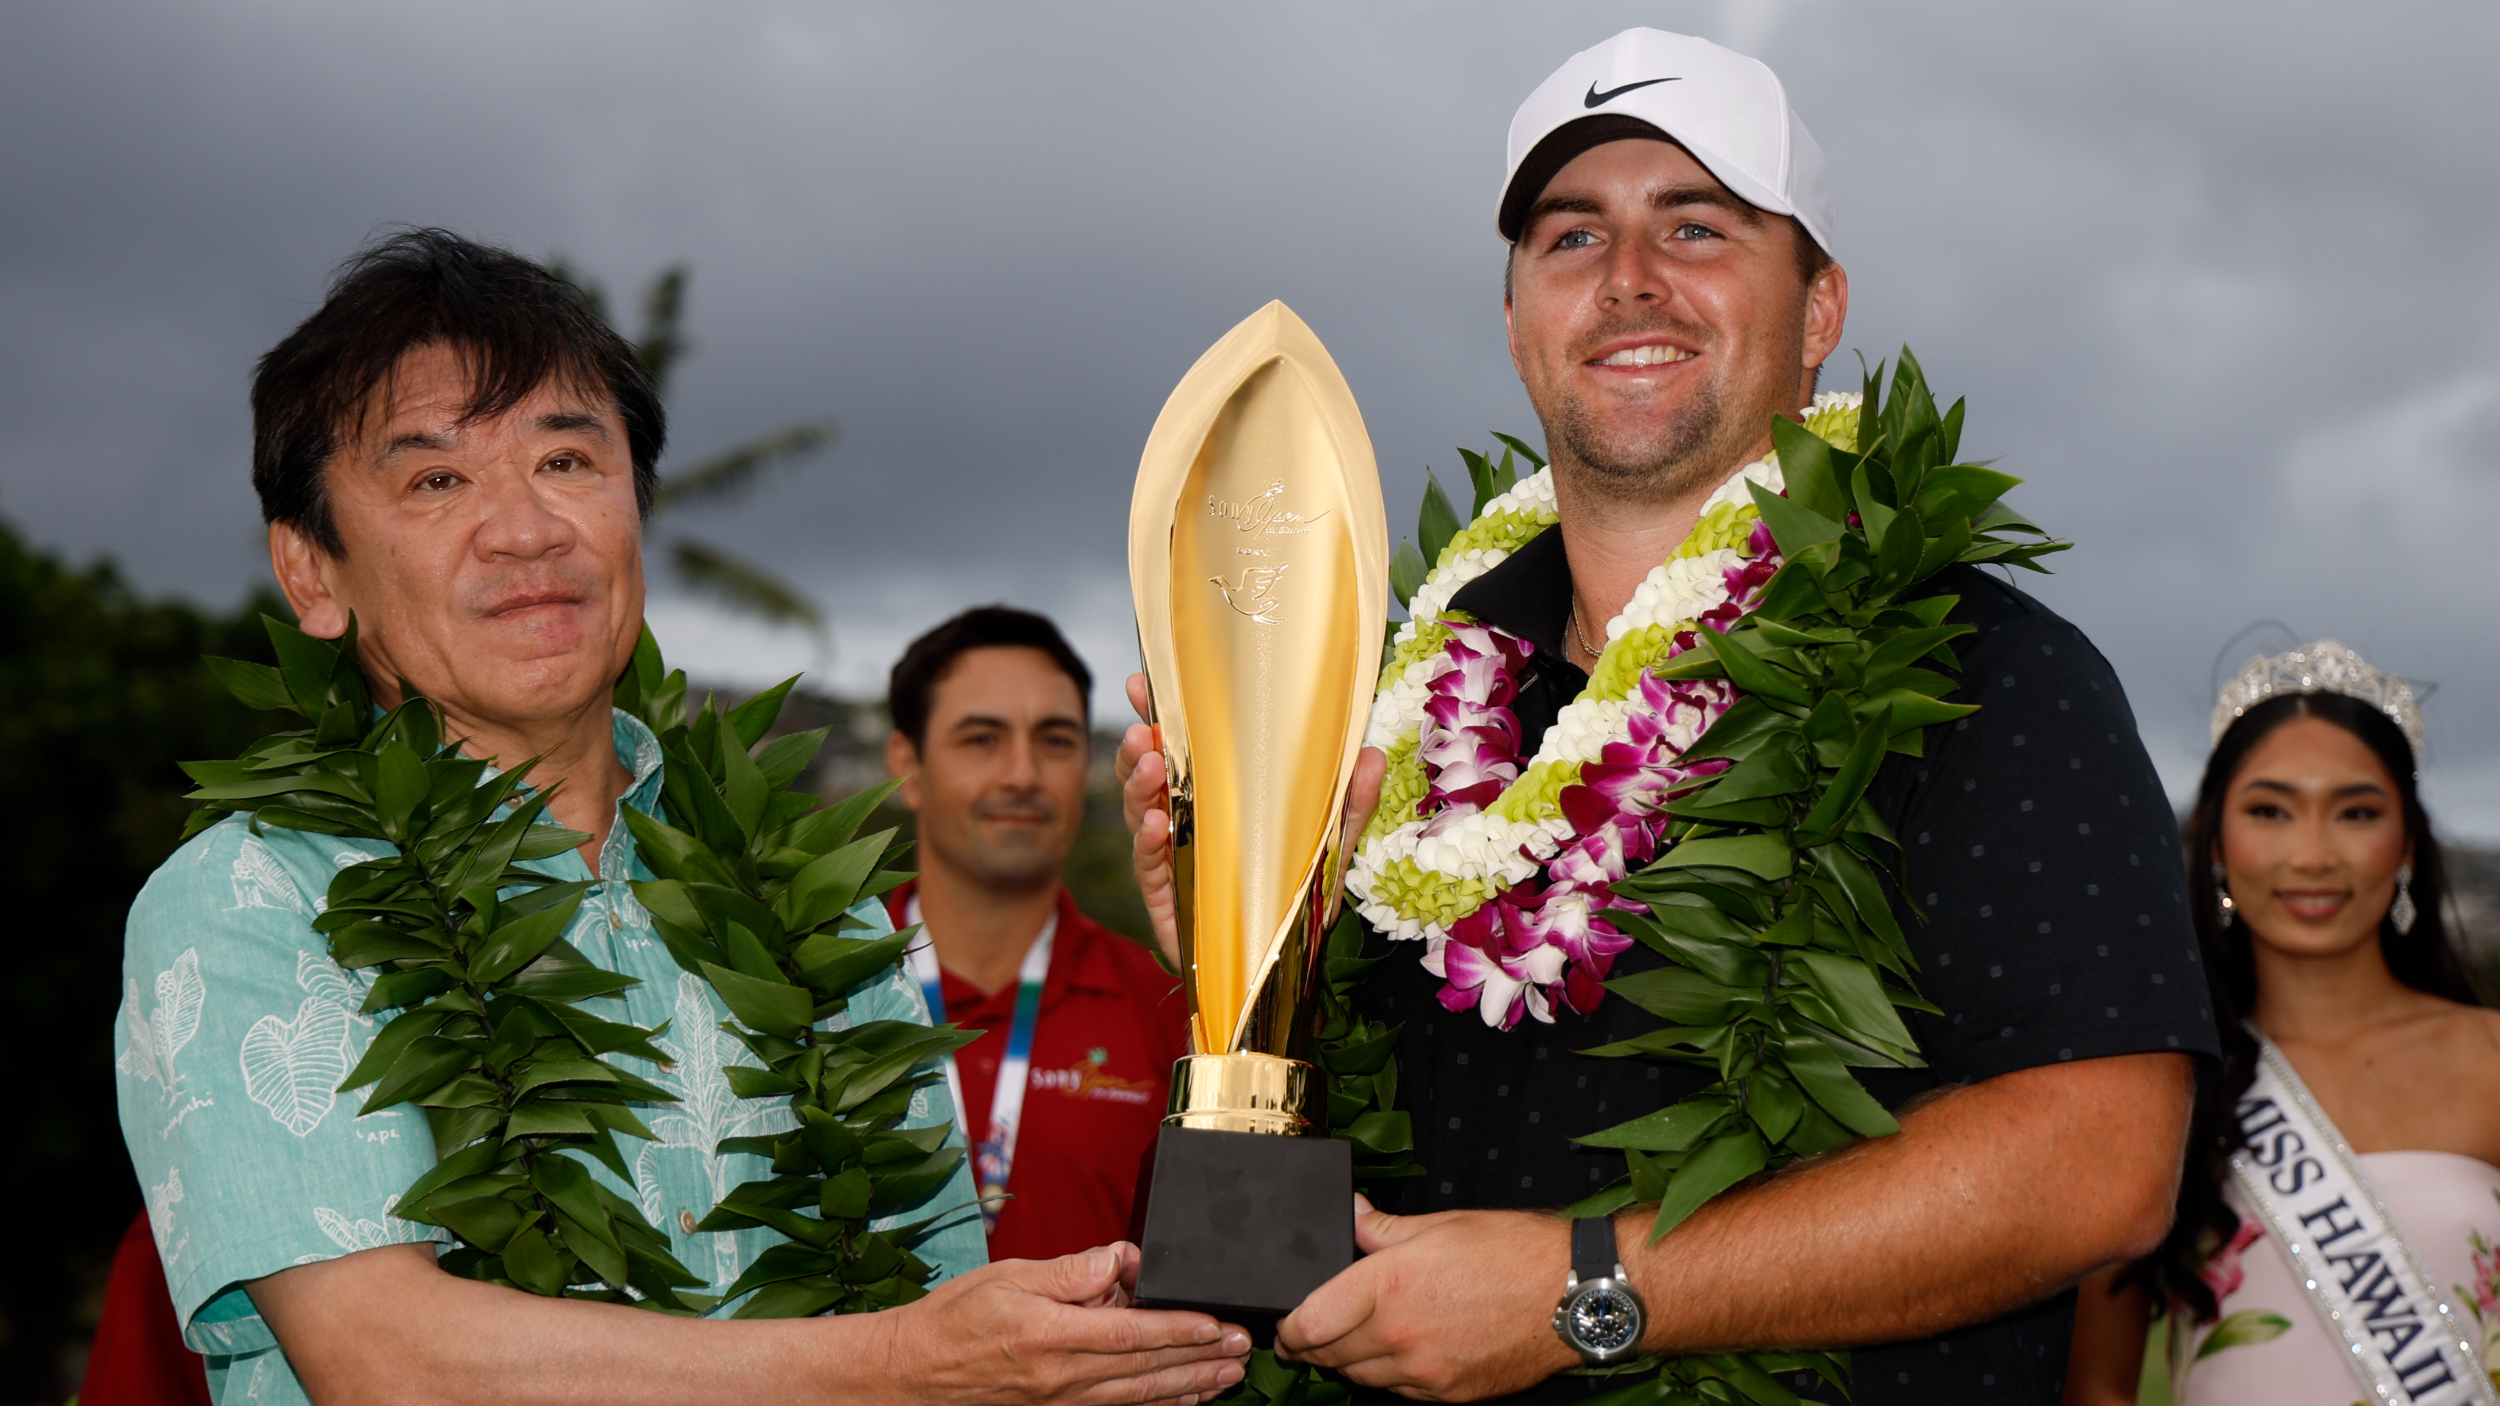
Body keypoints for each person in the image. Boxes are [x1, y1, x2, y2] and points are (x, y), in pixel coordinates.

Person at [1119, 28, 2217, 1405]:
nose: (1629, 278)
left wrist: (1588, 1288)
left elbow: (2100, 1166)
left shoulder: (1988, 670)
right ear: (1518, 318)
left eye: (1696, 227)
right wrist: (1247, 998)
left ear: (1819, 309)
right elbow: (1309, 1250)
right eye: (1571, 237)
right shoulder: (1397, 711)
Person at [112, 228, 1248, 1406]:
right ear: (312, 574)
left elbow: (943, 1306)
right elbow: (389, 1360)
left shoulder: (816, 917)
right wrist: (904, 1366)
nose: (526, 528)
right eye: (435, 478)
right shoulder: (253, 897)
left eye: (567, 461)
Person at [2065, 641, 2500, 1405]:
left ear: (2405, 843)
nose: (2311, 854)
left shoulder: (2491, 1057)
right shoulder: (2159, 1080)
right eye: (2270, 810)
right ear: (2217, 837)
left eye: (2356, 812)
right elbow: (2100, 1388)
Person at [882, 607, 1190, 1260]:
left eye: (1055, 740)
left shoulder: (1169, 1003)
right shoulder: (813, 980)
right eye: (981, 738)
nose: (1023, 774)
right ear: (907, 764)